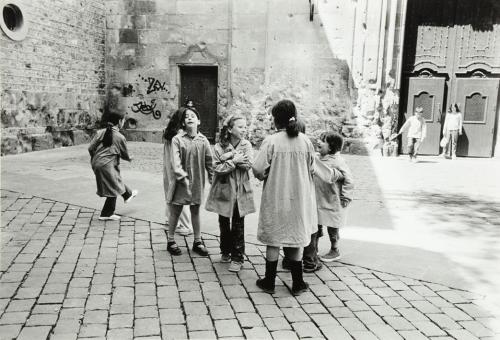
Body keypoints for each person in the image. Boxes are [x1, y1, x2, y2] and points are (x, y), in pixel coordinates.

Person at [252, 99, 317, 296]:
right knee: (296, 238)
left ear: (275, 120)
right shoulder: (305, 141)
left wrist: (264, 175)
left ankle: (269, 281)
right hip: (299, 198)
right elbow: (312, 168)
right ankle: (298, 283)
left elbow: (257, 168)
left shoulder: (271, 141)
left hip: (277, 196)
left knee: (274, 238)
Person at [206, 114, 255, 272]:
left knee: (238, 224)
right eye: (240, 127)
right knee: (224, 222)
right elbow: (217, 168)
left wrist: (227, 158)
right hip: (225, 189)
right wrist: (234, 161)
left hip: (240, 190)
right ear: (230, 129)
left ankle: (237, 257)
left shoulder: (246, 144)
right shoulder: (219, 146)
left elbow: (248, 164)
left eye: (245, 126)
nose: (244, 129)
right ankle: (225, 251)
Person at [166, 106, 214, 256]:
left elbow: (209, 162)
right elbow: (175, 161)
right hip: (181, 183)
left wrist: (213, 178)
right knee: (176, 211)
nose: (190, 118)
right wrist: (182, 176)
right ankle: (171, 240)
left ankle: (197, 241)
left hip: (198, 182)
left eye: (193, 115)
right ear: (183, 123)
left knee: (195, 211)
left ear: (198, 121)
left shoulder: (204, 140)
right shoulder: (177, 140)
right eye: (186, 116)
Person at [88, 112, 138, 220]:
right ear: (120, 122)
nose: (124, 122)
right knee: (113, 186)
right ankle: (106, 214)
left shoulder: (100, 132)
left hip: (97, 163)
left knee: (115, 181)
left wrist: (95, 158)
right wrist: (130, 158)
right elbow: (124, 154)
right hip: (107, 165)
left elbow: (90, 148)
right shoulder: (120, 137)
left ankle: (127, 195)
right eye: (123, 120)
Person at [315, 132, 354, 263]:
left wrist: (346, 196)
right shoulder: (318, 158)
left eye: (322, 141)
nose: (318, 142)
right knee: (316, 224)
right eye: (319, 139)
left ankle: (334, 249)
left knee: (332, 225)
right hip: (318, 197)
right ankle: (313, 249)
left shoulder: (338, 161)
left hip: (333, 199)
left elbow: (349, 179)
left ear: (331, 147)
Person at [163, 109, 193, 237]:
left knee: (170, 192)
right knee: (180, 195)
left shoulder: (168, 132)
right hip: (178, 168)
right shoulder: (181, 135)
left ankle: (170, 219)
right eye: (186, 117)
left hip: (169, 167)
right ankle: (186, 226)